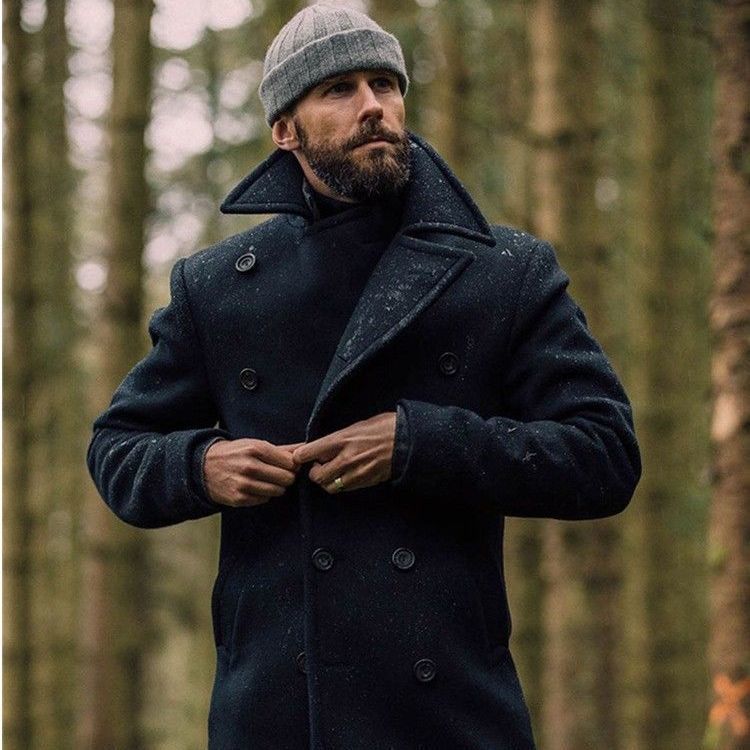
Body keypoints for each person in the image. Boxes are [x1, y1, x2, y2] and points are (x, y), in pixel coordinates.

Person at [87, 4, 641, 749]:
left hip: (449, 717)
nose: (373, 105)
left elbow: (604, 455)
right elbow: (117, 447)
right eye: (339, 89)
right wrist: (199, 465)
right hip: (276, 716)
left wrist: (418, 444)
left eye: (385, 83)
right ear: (286, 130)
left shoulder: (502, 271)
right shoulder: (217, 288)